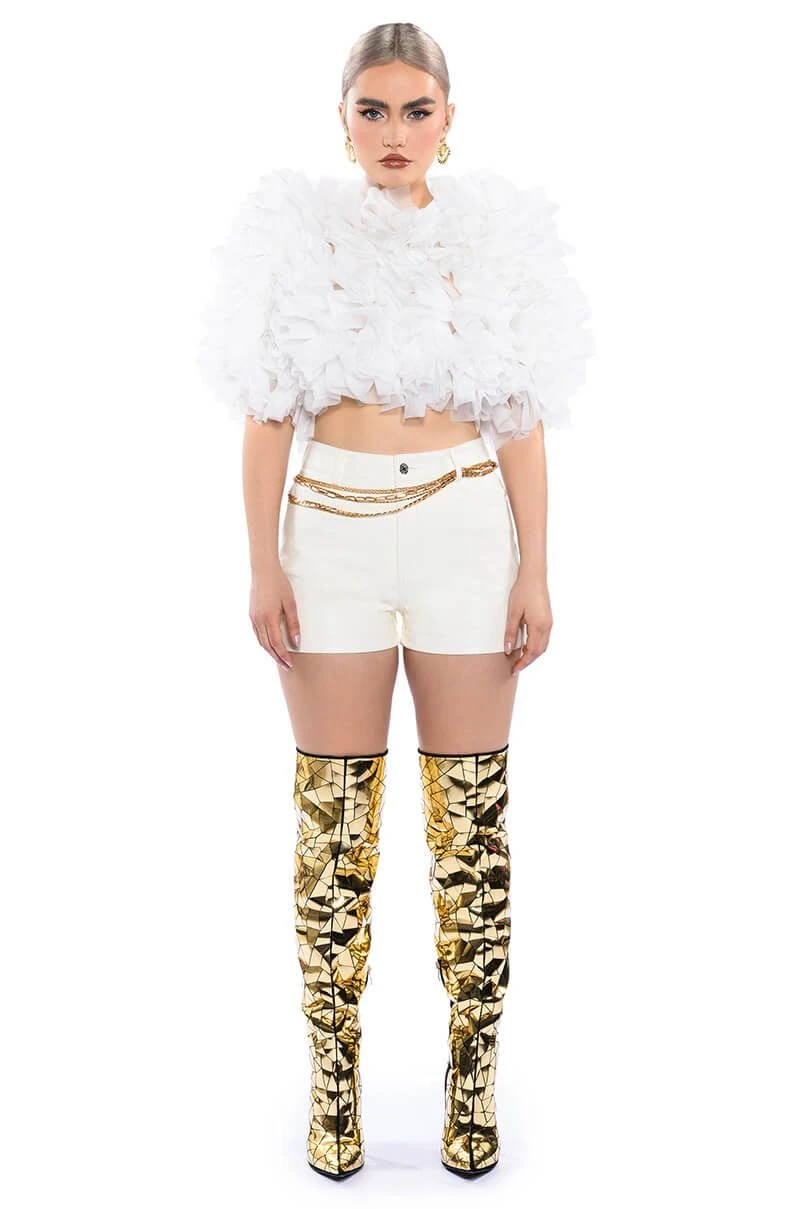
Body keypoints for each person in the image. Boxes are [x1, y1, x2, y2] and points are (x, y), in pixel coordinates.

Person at [197, 21, 592, 1182]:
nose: (393, 133)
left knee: (472, 823)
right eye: (371, 110)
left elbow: (518, 417)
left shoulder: (494, 242)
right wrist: (263, 564)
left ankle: (471, 1085)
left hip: (465, 534)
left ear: (447, 120)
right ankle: (334, 1087)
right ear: (342, 121)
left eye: (415, 110)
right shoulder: (298, 239)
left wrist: (533, 567)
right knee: (333, 825)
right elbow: (266, 414)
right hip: (331, 537)